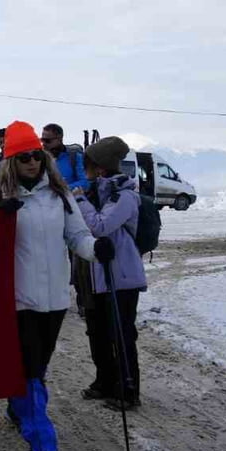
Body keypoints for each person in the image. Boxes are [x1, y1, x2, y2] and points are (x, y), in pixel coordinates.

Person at [0, 121, 101, 451]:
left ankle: (18, 406)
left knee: (36, 369)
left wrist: (96, 250)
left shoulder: (59, 195)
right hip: (17, 300)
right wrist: (0, 217)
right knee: (31, 373)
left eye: (38, 155)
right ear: (12, 160)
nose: (33, 162)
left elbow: (77, 236)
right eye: (25, 156)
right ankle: (44, 447)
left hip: (55, 299)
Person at [73, 136, 147, 410]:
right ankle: (104, 381)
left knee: (122, 334)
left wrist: (80, 201)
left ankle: (128, 390)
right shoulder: (100, 191)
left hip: (121, 278)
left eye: (89, 163)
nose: (85, 168)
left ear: (101, 166)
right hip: (97, 277)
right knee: (99, 332)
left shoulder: (124, 196)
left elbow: (101, 226)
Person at [42, 123, 89, 193]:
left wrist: (63, 188)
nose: (44, 143)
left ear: (59, 139)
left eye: (47, 140)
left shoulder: (74, 156)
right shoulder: (39, 158)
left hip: (71, 198)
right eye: (42, 140)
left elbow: (85, 182)